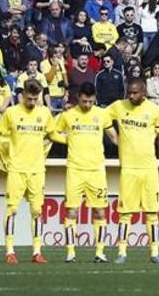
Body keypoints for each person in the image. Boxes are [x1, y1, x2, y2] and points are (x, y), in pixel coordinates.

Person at [51, 82, 118, 263]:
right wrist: (69, 140)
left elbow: (114, 137)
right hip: (75, 170)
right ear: (78, 98)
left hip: (96, 171)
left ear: (94, 99)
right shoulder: (68, 115)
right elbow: (53, 133)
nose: (87, 105)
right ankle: (70, 253)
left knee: (100, 212)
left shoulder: (102, 114)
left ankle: (100, 252)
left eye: (90, 101)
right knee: (72, 211)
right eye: (84, 101)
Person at [0, 79, 57, 263]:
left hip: (37, 170)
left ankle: (37, 252)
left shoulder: (44, 113)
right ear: (22, 96)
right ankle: (10, 251)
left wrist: (72, 139)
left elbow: (52, 135)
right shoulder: (11, 113)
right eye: (29, 98)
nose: (32, 102)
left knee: (37, 210)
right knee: (12, 209)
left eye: (35, 99)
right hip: (16, 169)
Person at [108, 78, 159, 264]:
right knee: (125, 213)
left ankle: (155, 253)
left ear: (144, 92)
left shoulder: (155, 111)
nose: (131, 96)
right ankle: (122, 252)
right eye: (129, 93)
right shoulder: (119, 106)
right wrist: (114, 136)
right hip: (128, 169)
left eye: (135, 93)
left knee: (152, 212)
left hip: (149, 169)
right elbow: (100, 117)